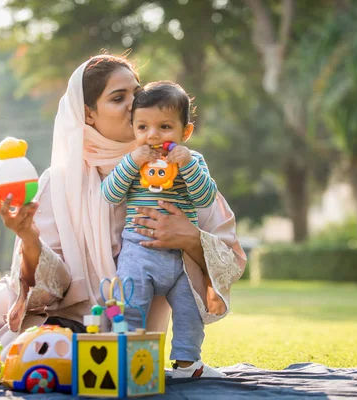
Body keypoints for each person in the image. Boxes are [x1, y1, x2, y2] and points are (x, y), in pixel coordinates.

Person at [0, 54, 246, 382]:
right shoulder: (59, 182)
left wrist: (189, 238)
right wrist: (27, 235)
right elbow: (50, 287)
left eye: (135, 95)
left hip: (117, 330)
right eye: (118, 98)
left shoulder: (180, 167)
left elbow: (230, 255)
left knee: (34, 365)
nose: (133, 106)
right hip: (50, 312)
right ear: (88, 113)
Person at [101, 81, 221, 377]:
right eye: (142, 127)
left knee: (190, 311)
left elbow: (206, 198)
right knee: (131, 304)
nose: (152, 135)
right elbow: (109, 195)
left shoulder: (194, 161)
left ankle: (187, 362)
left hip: (181, 259)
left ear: (185, 132)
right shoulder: (131, 163)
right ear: (133, 129)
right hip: (138, 252)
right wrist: (130, 163)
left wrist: (188, 164)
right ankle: (128, 360)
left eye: (165, 127)